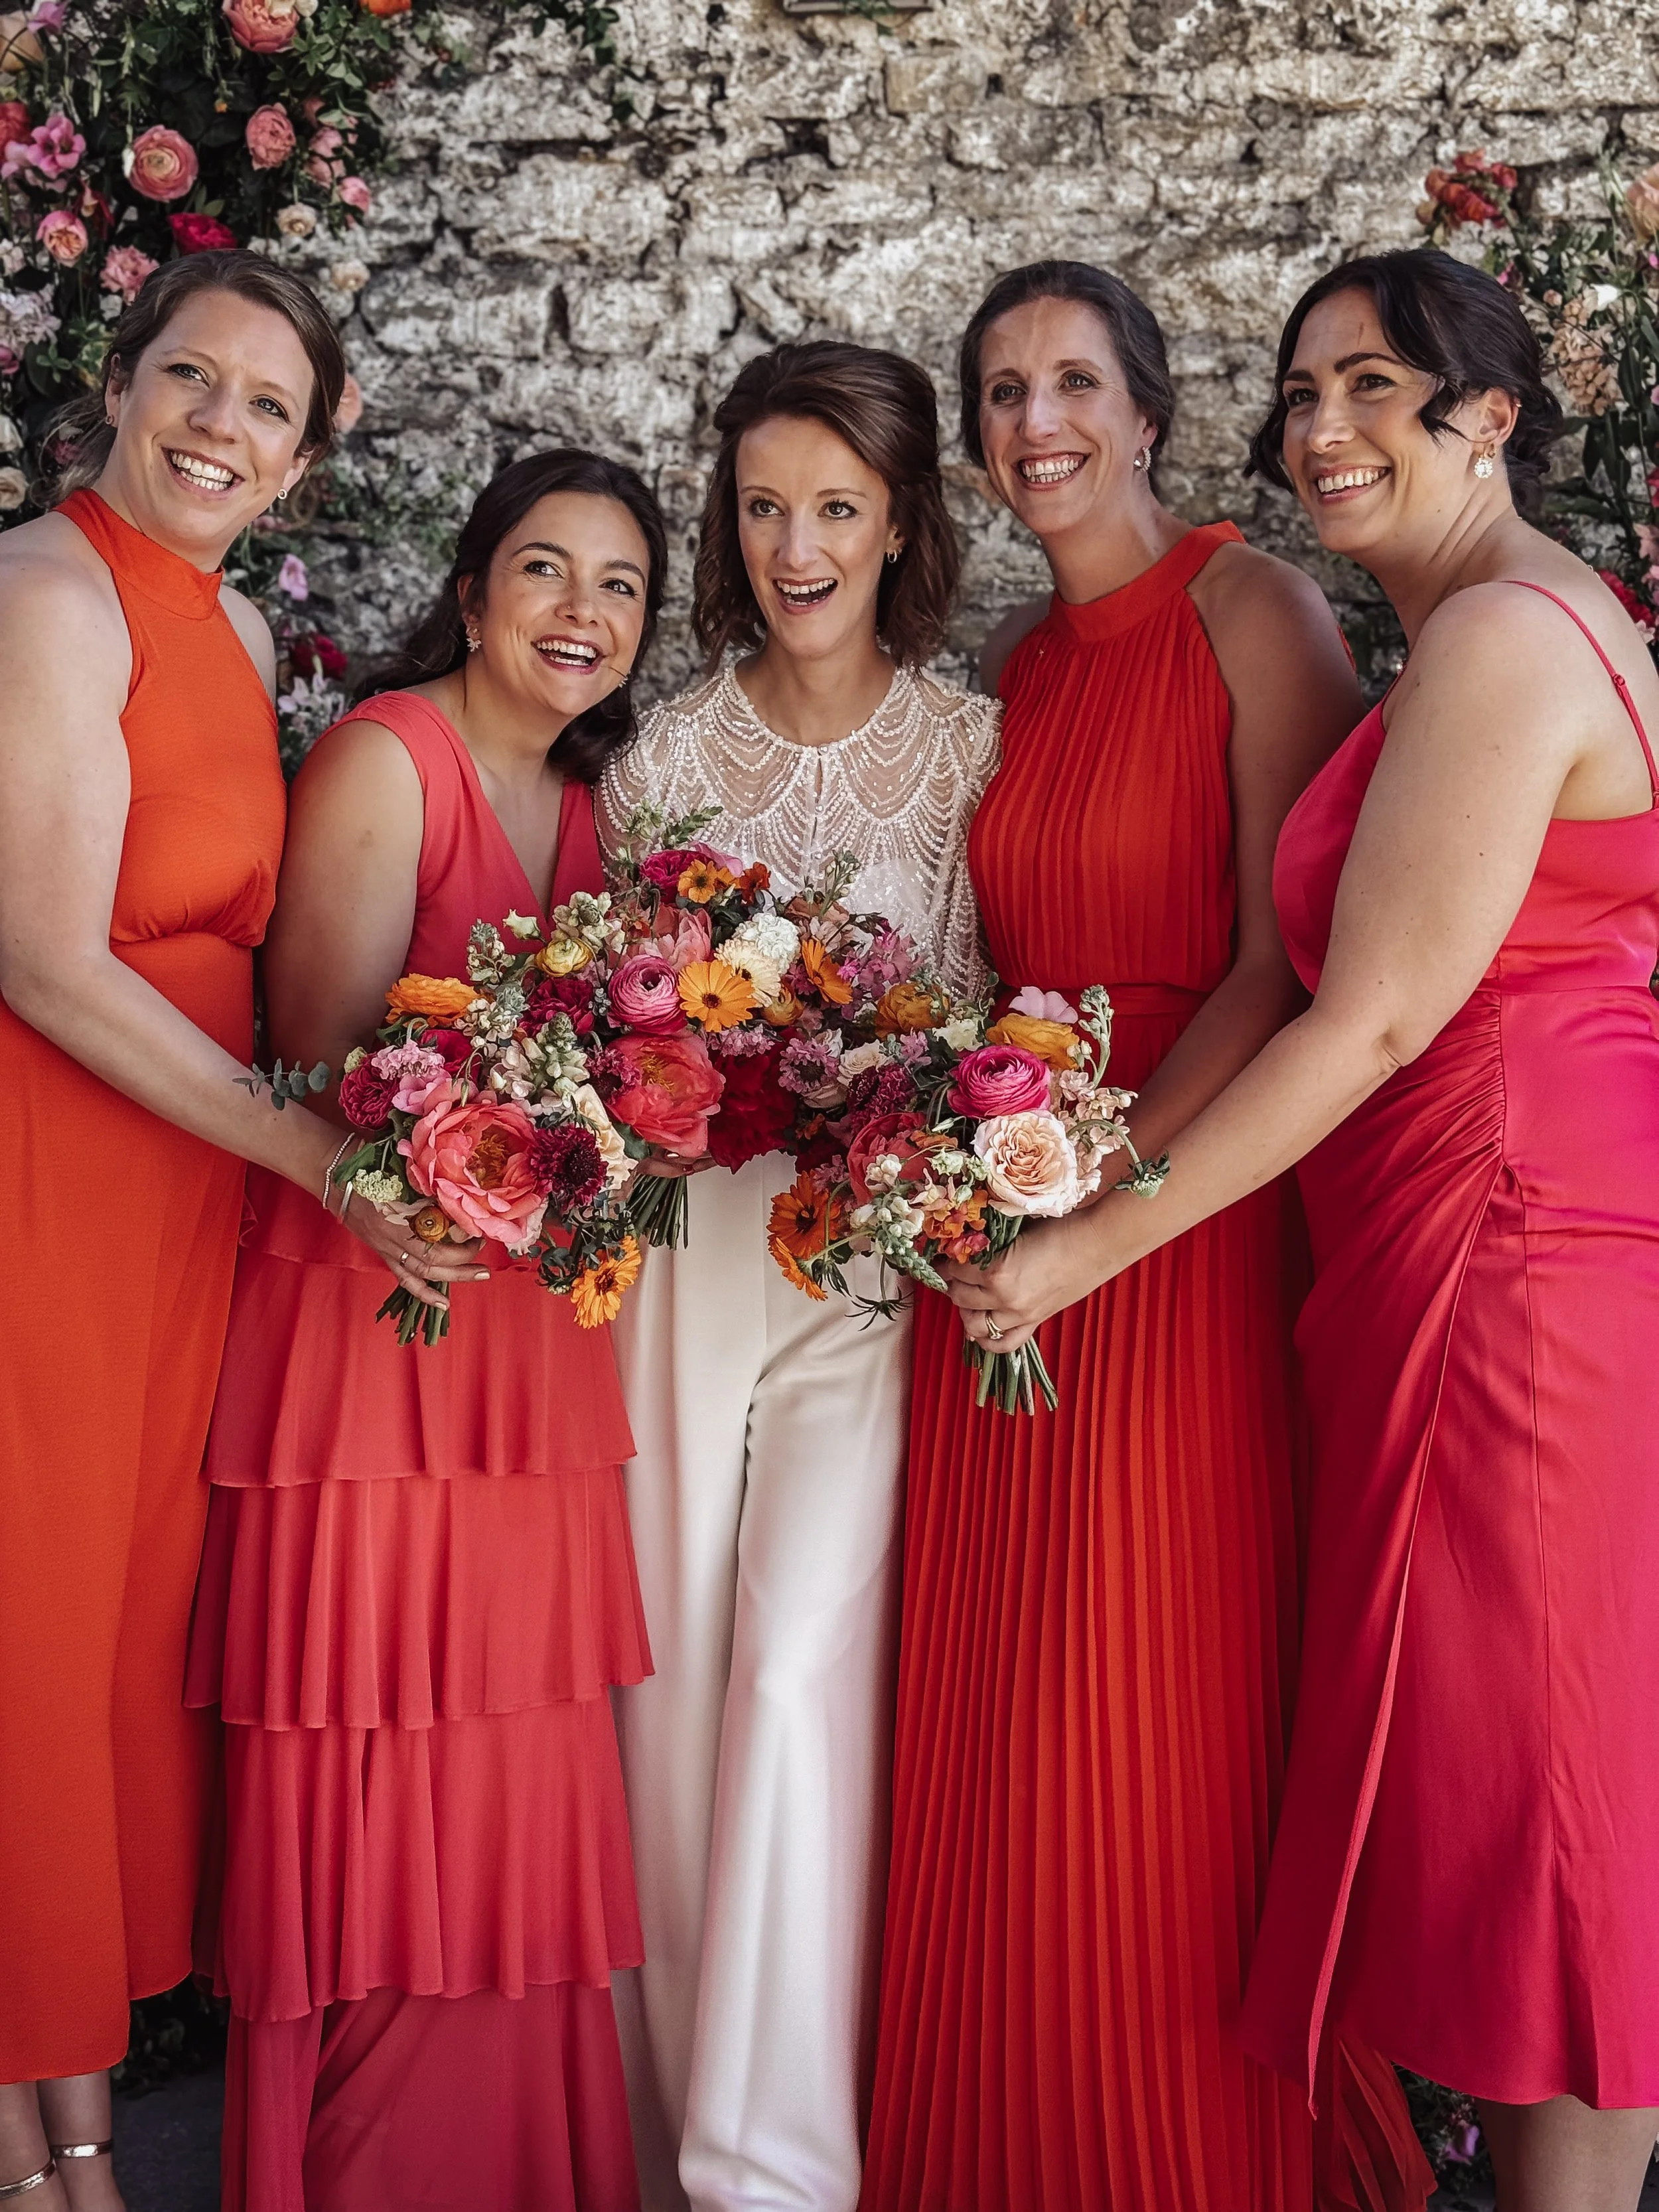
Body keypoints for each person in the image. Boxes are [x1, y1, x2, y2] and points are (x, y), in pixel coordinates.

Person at [942, 246, 1659, 2209]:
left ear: (1486, 419)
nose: (1320, 430)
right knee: (1512, 1792)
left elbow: (1371, 1007)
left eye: (1370, 389)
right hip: (1459, 1239)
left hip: (1516, 1256)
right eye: (1301, 390)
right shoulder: (1469, 635)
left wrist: (1083, 1246)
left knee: (1554, 1805)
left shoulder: (1509, 640)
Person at [862, 261, 1432, 2212]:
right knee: (1009, 1720)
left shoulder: (1247, 606)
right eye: (1002, 388)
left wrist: (1109, 1208)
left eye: (1072, 382)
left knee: (1152, 1723)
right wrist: (966, 1173)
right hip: (1003, 1228)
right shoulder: (1012, 666)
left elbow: (1295, 959)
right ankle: (1011, 2129)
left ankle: (1171, 2156)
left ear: (1149, 409)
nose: (1035, 422)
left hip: (1176, 1227)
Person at [0, 252, 445, 2212]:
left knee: (102, 1660)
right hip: (48, 1184)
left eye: (269, 403)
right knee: (26, 1641)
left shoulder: (239, 629)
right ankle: (47, 2170)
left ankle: (70, 2138)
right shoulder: (43, 596)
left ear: (307, 445)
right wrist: (295, 1148)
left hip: (176, 1208)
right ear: (119, 382)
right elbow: (35, 953)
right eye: (194, 377)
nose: (222, 425)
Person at [184, 450, 668, 2211]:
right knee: (383, 1769)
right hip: (373, 1343)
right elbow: (309, 1064)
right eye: (544, 571)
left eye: (617, 585)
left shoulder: (599, 804)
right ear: (471, 591)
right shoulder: (393, 756)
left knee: (518, 1765)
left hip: (532, 1361)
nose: (579, 614)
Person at [596, 341, 999, 2212]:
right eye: (761, 504)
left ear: (902, 520)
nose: (793, 543)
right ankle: (660, 2111)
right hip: (683, 1256)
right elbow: (620, 1015)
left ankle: (776, 2167)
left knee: (802, 1674)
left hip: (860, 1271)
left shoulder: (968, 747)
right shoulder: (666, 751)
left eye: (834, 505)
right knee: (672, 1676)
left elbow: (985, 1017)